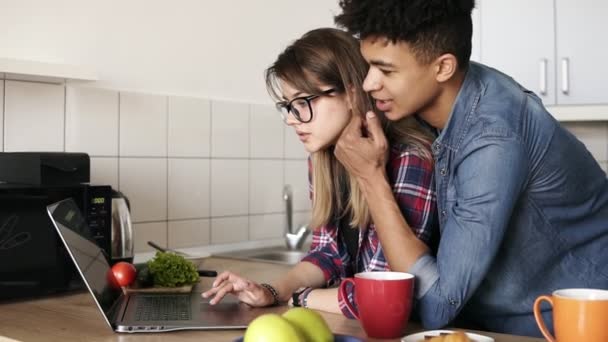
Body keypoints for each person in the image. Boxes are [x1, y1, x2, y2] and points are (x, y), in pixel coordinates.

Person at [332, 0, 608, 337]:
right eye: (368, 66)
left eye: (386, 71)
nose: (369, 83)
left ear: (443, 67)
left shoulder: (494, 137)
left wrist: (370, 177)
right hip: (494, 321)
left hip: (564, 328)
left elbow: (438, 304)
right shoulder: (438, 100)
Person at [202, 28, 438, 316]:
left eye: (303, 102)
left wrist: (299, 298)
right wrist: (271, 291)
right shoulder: (322, 160)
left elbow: (382, 293)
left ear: (351, 94)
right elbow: (327, 254)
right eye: (288, 106)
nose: (291, 119)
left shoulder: (411, 157)